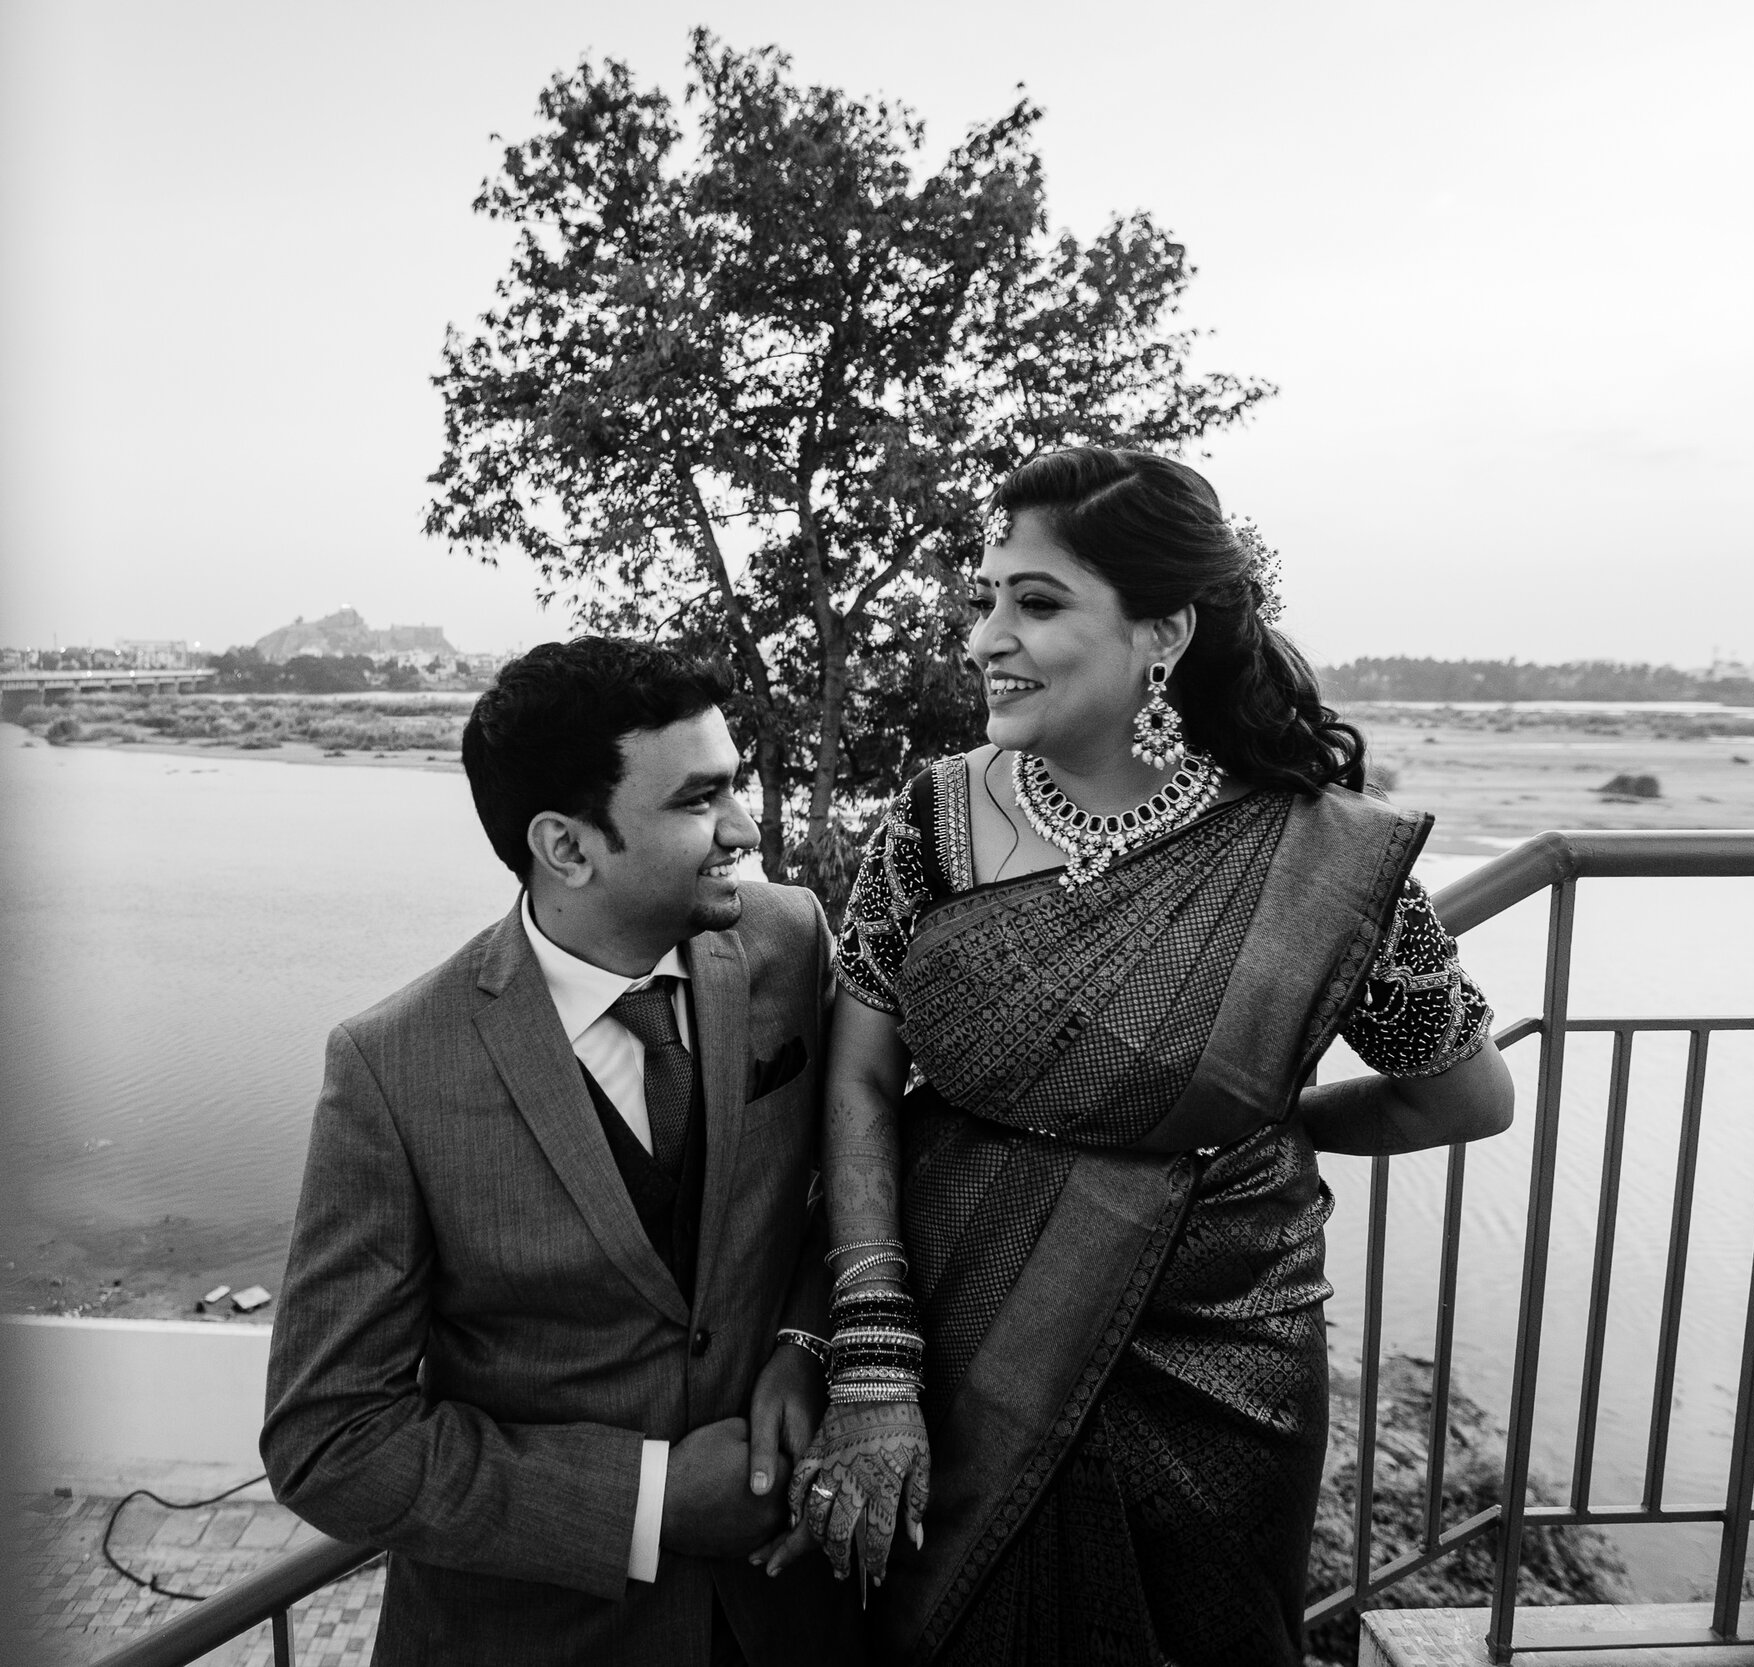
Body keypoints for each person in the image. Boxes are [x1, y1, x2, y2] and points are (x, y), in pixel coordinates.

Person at [766, 448, 1516, 1666]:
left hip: (1217, 1347)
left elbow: (1470, 1095)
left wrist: (1248, 1113)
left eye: (1037, 601)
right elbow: (856, 1084)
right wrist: (871, 1361)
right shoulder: (937, 817)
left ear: (1161, 632)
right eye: (985, 597)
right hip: (962, 1330)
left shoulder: (1316, 856)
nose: (983, 637)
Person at [263, 637, 866, 1666]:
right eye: (697, 800)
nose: (743, 826)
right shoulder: (391, 1068)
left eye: (738, 783)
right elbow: (329, 1440)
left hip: (793, 1618)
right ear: (566, 845)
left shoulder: (790, 939)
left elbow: (848, 1181)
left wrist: (806, 1343)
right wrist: (651, 1502)